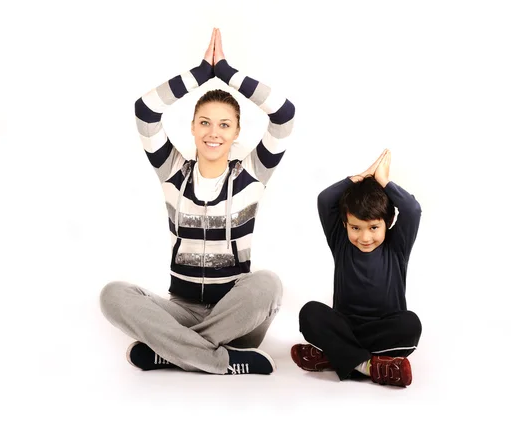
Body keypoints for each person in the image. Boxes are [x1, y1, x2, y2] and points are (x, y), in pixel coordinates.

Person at [100, 28, 295, 375]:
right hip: (181, 311)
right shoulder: (172, 171)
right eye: (204, 122)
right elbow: (145, 112)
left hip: (237, 318)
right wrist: (200, 74)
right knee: (112, 294)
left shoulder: (253, 173)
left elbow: (284, 116)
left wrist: (229, 74)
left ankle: (173, 351)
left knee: (269, 284)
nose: (213, 132)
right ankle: (217, 359)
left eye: (224, 124)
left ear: (236, 132)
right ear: (192, 127)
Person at [291, 149, 422, 386]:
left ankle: (335, 355)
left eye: (373, 228)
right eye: (355, 228)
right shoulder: (340, 241)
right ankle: (370, 366)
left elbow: (412, 210)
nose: (364, 237)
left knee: (410, 325)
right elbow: (324, 199)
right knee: (309, 313)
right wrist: (360, 177)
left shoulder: (397, 246)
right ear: (345, 224)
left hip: (383, 329)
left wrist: (383, 181)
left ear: (388, 223)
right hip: (345, 326)